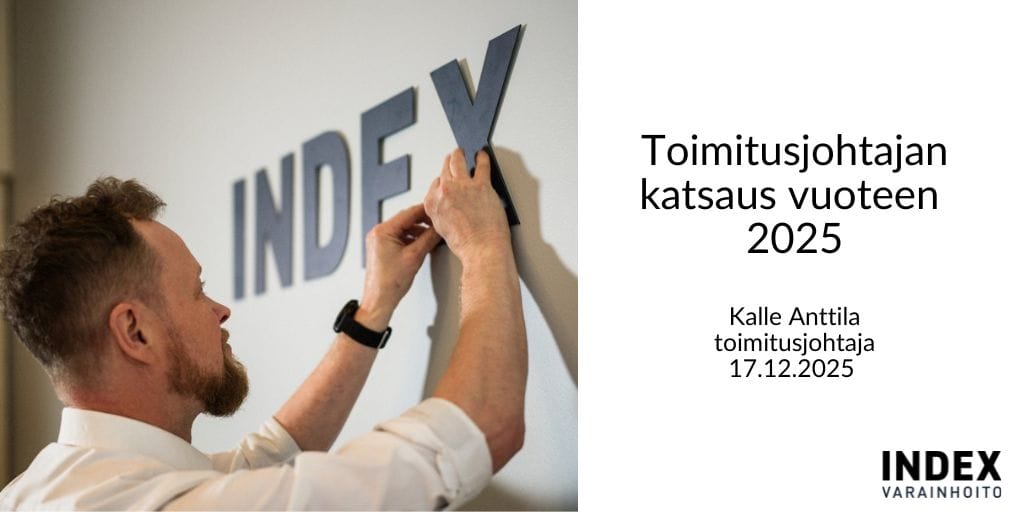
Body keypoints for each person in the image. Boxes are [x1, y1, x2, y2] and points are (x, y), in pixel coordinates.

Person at [0, 148, 527, 510]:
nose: (220, 311)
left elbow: (264, 460)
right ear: (135, 332)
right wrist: (482, 245)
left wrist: (373, 309)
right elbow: (482, 427)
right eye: (197, 291)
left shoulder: (47, 488)